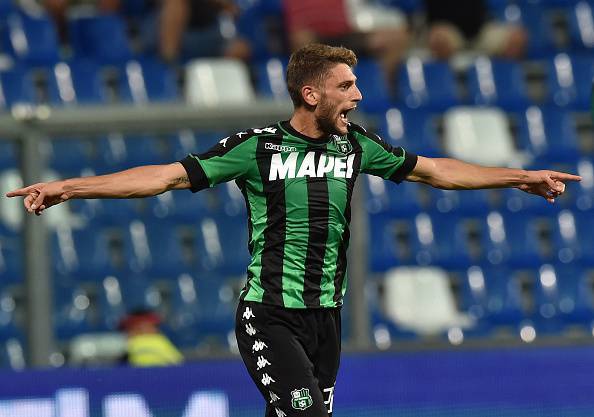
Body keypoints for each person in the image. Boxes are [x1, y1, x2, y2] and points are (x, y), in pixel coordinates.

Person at [6, 43, 580, 416]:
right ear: (311, 94)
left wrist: (519, 177)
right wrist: (70, 186)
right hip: (270, 315)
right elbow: (163, 177)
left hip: (326, 318)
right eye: (346, 86)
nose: (358, 95)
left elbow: (436, 171)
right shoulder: (257, 148)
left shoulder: (356, 145)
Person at [423, 0, 527, 60]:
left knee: (516, 39)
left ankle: (503, 85)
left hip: (480, 30)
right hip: (449, 30)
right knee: (440, 40)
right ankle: (445, 85)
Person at [118, 309, 184, 367]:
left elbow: (178, 362)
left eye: (148, 326)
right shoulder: (129, 343)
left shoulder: (161, 340)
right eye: (138, 328)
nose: (144, 330)